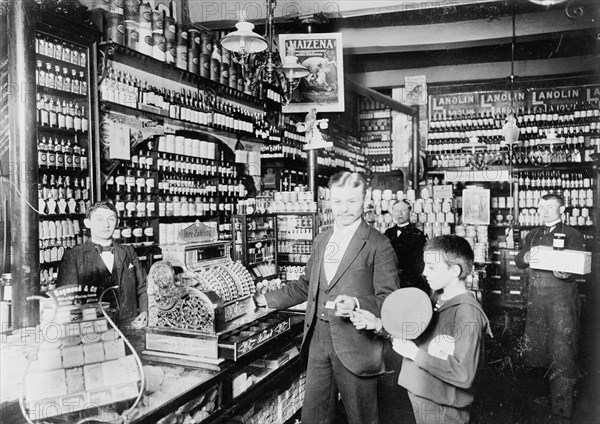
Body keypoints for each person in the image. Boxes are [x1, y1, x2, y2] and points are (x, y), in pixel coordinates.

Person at [254, 171, 400, 424]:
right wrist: (263, 300)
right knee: (315, 416)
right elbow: (305, 286)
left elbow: (390, 298)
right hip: (319, 341)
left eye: (351, 201)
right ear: (329, 201)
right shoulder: (322, 240)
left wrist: (357, 303)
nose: (344, 209)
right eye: (338, 201)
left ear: (364, 201)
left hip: (356, 343)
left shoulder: (379, 244)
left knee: (362, 418)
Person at [351, 235, 491, 424]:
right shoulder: (435, 299)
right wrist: (378, 324)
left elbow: (464, 374)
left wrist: (415, 354)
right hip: (423, 395)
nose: (424, 272)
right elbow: (416, 338)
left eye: (432, 267)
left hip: (444, 409)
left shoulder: (467, 312)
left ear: (455, 270)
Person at [515, 193, 584, 418]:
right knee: (539, 349)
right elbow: (519, 260)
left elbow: (579, 264)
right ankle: (547, 397)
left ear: (562, 210)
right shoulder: (533, 234)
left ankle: (562, 407)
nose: (543, 211)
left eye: (549, 206)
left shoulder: (573, 234)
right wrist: (525, 258)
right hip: (537, 300)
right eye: (540, 207)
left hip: (561, 300)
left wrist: (566, 272)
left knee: (562, 349)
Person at [56, 201, 148, 323]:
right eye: (99, 219)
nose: (106, 225)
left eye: (111, 219)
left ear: (118, 223)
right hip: (93, 330)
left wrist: (144, 311)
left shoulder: (129, 252)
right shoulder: (74, 256)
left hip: (130, 325)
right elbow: (66, 302)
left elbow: (143, 288)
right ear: (87, 223)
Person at [384, 200, 429, 295]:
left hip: (410, 283)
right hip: (391, 281)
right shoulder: (388, 233)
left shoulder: (417, 234)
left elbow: (419, 264)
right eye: (396, 211)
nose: (399, 214)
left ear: (410, 212)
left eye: (403, 210)